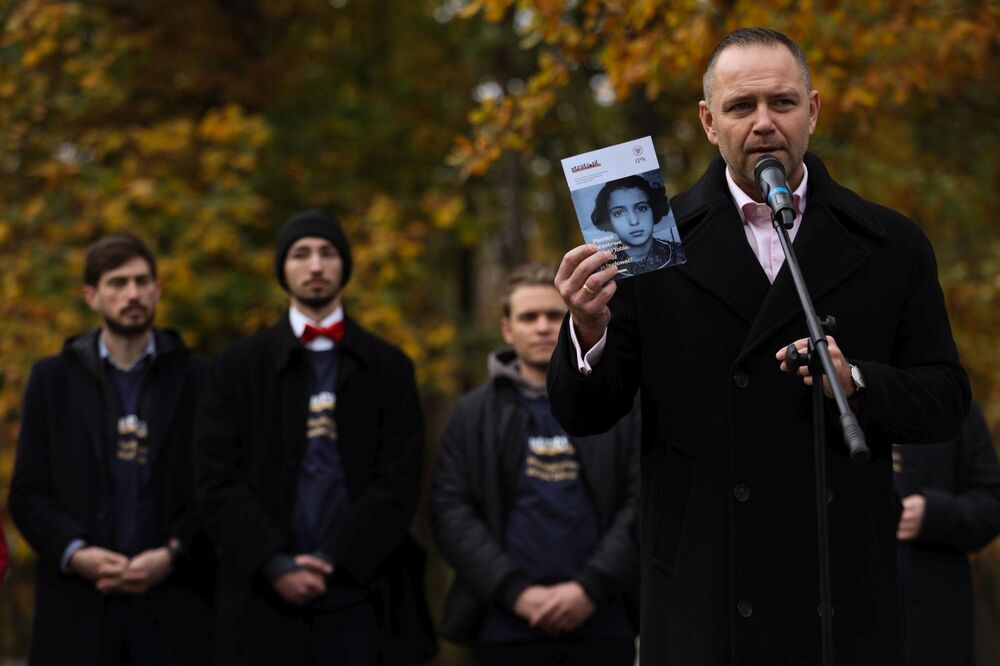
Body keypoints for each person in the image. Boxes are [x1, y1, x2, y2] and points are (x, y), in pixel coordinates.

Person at [547, 27, 971, 665]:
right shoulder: (648, 249)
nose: (764, 123)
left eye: (783, 103)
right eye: (742, 107)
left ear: (815, 111)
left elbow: (946, 399)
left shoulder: (891, 243)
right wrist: (587, 330)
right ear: (708, 122)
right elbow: (586, 413)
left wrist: (856, 379)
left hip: (839, 581)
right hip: (705, 584)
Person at [195, 208, 435, 666]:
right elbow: (215, 477)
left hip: (362, 591)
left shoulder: (388, 366)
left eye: (327, 253)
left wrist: (333, 557)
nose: (316, 265)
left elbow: (400, 479)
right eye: (301, 254)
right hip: (259, 596)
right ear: (283, 269)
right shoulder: (236, 367)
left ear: (344, 264)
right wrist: (274, 560)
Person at [8, 233, 213, 665]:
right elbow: (27, 494)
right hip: (78, 611)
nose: (133, 294)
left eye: (142, 282)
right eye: (117, 283)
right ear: (92, 296)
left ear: (158, 289)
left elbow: (217, 486)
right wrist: (76, 554)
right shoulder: (52, 380)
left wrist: (174, 553)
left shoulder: (200, 379)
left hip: (175, 610)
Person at [431, 262, 640, 666]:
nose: (543, 327)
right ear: (508, 329)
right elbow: (450, 509)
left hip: (604, 619)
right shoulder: (472, 414)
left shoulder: (619, 407)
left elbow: (643, 500)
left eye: (554, 315)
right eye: (529, 317)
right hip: (503, 624)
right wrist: (515, 592)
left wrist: (590, 588)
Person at [894, 400, 1000, 666]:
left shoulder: (954, 406)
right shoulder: (832, 403)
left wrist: (935, 514)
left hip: (937, 619)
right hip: (858, 620)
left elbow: (992, 505)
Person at [591, 175, 683, 275]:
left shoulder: (678, 252)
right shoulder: (602, 268)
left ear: (654, 209)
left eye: (641, 208)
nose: (634, 221)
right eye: (619, 213)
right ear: (608, 219)